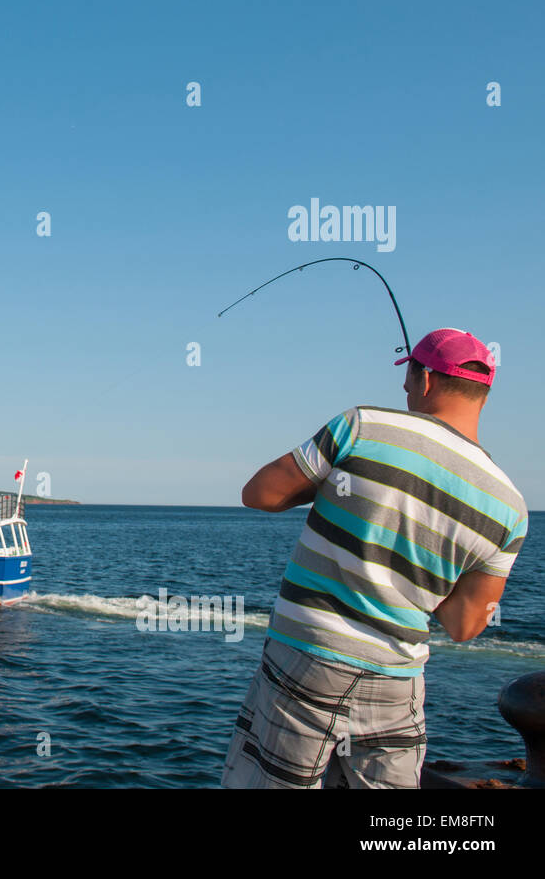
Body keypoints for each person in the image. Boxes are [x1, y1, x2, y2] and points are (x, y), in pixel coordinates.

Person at [222, 329, 528, 788]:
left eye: (408, 378)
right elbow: (466, 625)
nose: (404, 390)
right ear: (483, 392)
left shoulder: (362, 426)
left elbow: (260, 493)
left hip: (308, 661)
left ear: (425, 379)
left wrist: (332, 488)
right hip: (398, 682)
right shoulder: (510, 505)